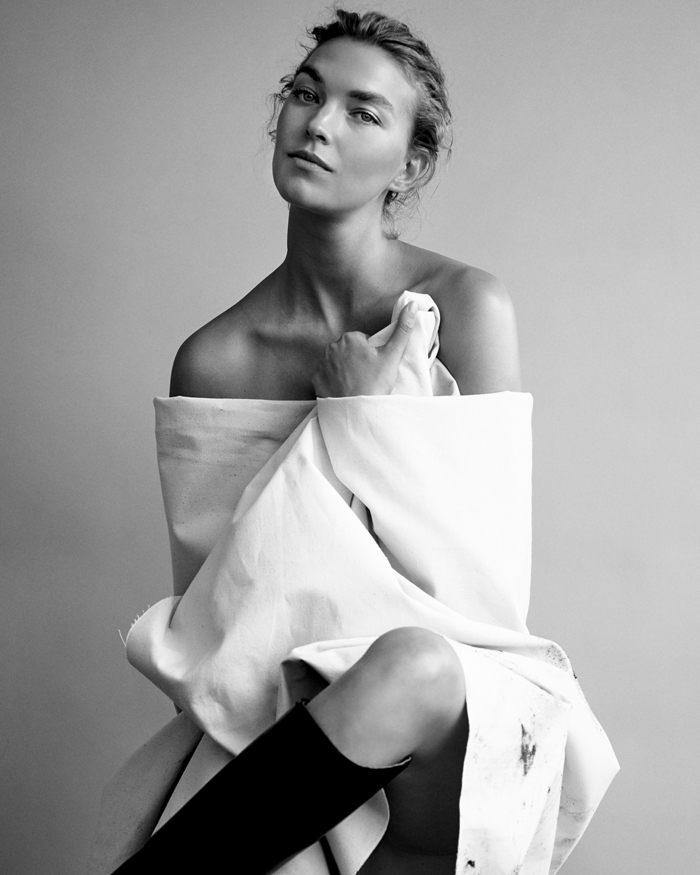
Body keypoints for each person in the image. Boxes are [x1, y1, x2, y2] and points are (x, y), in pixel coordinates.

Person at [91, 10, 617, 875]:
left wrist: (364, 416)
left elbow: (482, 594)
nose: (319, 125)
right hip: (299, 732)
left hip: (455, 717)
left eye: (363, 111)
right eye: (306, 94)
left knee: (412, 664)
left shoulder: (467, 309)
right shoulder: (216, 359)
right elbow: (223, 628)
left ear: (410, 165)